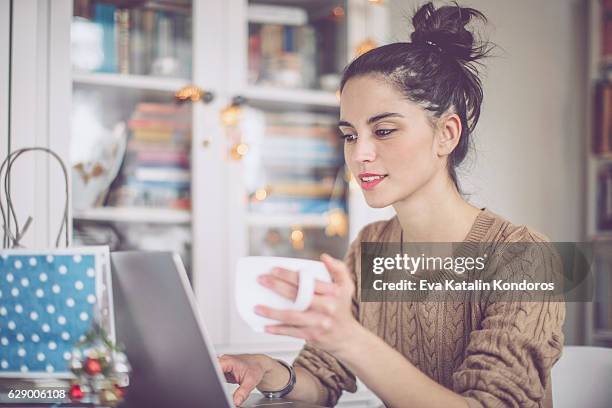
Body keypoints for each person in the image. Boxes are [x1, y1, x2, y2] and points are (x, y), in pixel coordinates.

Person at [219, 2, 565, 407]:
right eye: (350, 135)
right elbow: (322, 377)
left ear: (446, 134)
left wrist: (349, 336)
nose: (360, 153)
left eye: (383, 130)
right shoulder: (372, 246)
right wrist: (269, 371)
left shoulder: (523, 256)